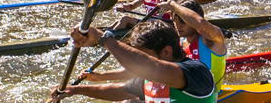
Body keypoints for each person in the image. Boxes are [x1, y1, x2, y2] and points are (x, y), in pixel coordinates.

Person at [51, 21, 215, 102]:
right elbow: (121, 90)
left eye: (142, 55)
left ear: (166, 52)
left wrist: (104, 39)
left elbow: (152, 66)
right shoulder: (149, 78)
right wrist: (75, 90)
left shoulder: (195, 71)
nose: (137, 62)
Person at [158, 0, 227, 92]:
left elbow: (201, 24)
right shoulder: (179, 42)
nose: (177, 25)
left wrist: (173, 5)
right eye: (175, 20)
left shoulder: (212, 39)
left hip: (210, 97)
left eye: (182, 21)